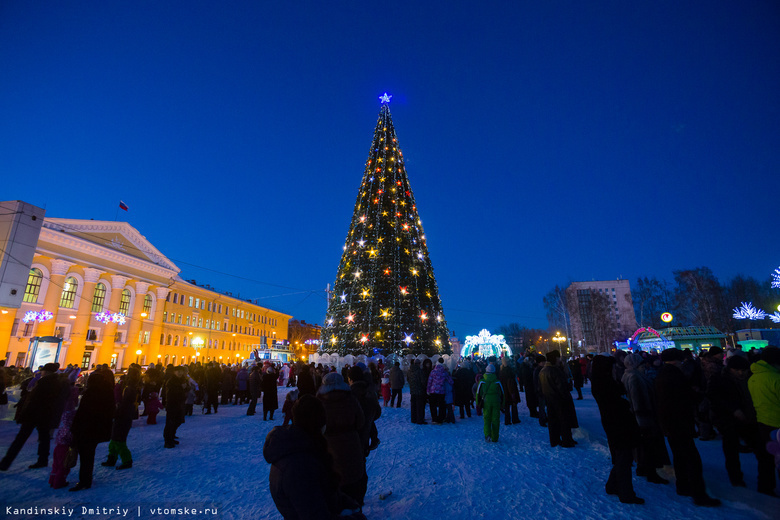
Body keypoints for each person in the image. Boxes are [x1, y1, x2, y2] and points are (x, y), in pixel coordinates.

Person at [263, 394, 365, 520]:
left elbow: (323, 490)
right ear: (318, 423)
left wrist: (345, 502)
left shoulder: (304, 448)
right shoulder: (298, 466)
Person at [655, 348, 721, 506]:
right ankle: (699, 494)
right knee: (692, 459)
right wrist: (698, 395)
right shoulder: (675, 376)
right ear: (677, 359)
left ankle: (683, 485)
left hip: (670, 423)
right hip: (679, 422)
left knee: (679, 455)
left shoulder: (662, 374)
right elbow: (684, 397)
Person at [591, 355, 644, 504]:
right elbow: (613, 403)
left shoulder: (601, 381)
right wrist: (623, 402)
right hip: (618, 423)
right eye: (612, 367)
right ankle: (625, 492)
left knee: (623, 455)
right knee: (624, 457)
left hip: (614, 422)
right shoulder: (605, 383)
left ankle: (613, 485)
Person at [0, 363, 68, 471]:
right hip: (45, 415)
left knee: (21, 438)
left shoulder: (44, 382)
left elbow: (34, 400)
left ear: (46, 371)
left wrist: (25, 413)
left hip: (34, 415)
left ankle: (6, 462)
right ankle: (43, 459)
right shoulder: (56, 382)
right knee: (44, 438)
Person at [317, 373, 367, 507]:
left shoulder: (320, 401)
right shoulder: (350, 399)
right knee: (352, 484)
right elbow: (361, 421)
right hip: (351, 444)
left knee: (331, 485)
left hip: (327, 446)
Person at [621, 353, 669, 484]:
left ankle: (643, 467)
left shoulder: (629, 375)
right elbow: (638, 400)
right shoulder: (635, 377)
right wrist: (643, 419)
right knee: (649, 445)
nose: (644, 366)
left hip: (639, 416)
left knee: (643, 445)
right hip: (643, 417)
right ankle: (651, 472)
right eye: (642, 364)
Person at [68, 371, 115, 491]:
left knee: (85, 456)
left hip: (86, 429)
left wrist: (75, 428)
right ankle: (86, 479)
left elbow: (82, 413)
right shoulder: (108, 392)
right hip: (98, 429)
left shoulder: (91, 393)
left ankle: (84, 480)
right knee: (89, 456)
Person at [747, 346, 780, 496]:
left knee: (766, 459)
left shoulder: (754, 376)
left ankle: (765, 487)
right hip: (777, 424)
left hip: (762, 423)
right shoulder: (775, 378)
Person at [102, 366, 141, 470]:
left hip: (123, 415)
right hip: (124, 415)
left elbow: (125, 403)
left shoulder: (129, 388)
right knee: (115, 439)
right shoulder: (132, 387)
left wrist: (117, 411)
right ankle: (112, 458)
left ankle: (127, 460)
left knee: (119, 440)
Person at [539, 350, 578, 447]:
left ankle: (554, 440)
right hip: (559, 400)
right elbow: (562, 387)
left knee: (553, 421)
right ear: (555, 358)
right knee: (564, 420)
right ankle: (567, 440)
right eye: (558, 357)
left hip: (549, 399)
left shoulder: (543, 371)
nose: (559, 359)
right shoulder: (555, 370)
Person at [348, 366, 380, 455]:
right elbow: (377, 412)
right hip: (365, 432)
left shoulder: (349, 393)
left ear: (351, 379)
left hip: (353, 435)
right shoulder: (368, 391)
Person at [476, 365, 504, 442]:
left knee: (487, 418)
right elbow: (502, 393)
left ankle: (487, 434)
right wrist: (503, 403)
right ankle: (495, 437)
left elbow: (478, 393)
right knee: (495, 419)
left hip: (486, 401)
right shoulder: (497, 381)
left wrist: (478, 403)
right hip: (496, 401)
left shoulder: (482, 381)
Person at [163, 366, 188, 449]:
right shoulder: (171, 381)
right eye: (178, 371)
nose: (180, 373)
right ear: (174, 372)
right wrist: (182, 388)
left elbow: (187, 388)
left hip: (180, 403)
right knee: (170, 422)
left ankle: (172, 436)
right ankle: (167, 440)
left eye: (181, 371)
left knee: (178, 421)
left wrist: (186, 387)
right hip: (172, 404)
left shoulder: (182, 380)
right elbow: (171, 393)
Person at [499, 357, 521, 425]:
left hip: (504, 390)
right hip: (510, 390)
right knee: (513, 404)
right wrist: (512, 392)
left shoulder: (501, 370)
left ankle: (507, 420)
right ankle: (515, 418)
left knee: (507, 406)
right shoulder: (509, 371)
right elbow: (510, 382)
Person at [408, 359, 427, 424]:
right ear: (419, 364)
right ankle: (420, 420)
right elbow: (423, 381)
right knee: (420, 406)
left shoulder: (409, 371)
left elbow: (408, 379)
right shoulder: (420, 371)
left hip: (412, 390)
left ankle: (413, 419)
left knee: (413, 406)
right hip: (419, 391)